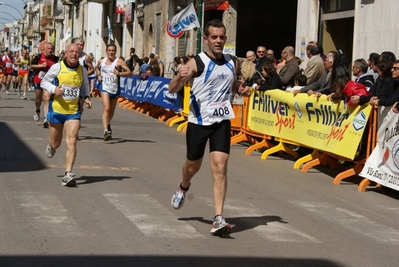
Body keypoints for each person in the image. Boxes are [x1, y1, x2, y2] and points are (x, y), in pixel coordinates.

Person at [168, 19, 244, 236]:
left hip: (221, 121)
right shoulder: (196, 62)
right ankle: (183, 185)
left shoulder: (232, 62)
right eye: (214, 37)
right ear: (206, 40)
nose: (218, 41)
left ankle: (218, 218)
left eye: (221, 37)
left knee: (220, 166)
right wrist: (179, 77)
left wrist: (240, 88)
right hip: (199, 122)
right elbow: (173, 88)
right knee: (193, 165)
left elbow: (232, 84)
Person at [41, 43, 92, 186]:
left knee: (72, 140)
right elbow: (45, 82)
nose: (74, 54)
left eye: (77, 52)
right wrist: (53, 89)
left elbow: (85, 86)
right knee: (56, 143)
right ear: (65, 53)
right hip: (56, 111)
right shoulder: (57, 67)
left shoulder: (82, 70)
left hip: (73, 113)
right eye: (71, 51)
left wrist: (86, 97)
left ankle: (68, 174)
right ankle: (51, 146)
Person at [96, 44, 132, 141]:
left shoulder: (119, 61)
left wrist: (119, 73)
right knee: (106, 108)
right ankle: (106, 131)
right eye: (109, 50)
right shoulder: (101, 61)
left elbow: (129, 72)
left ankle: (107, 123)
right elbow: (97, 68)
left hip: (115, 88)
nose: (111, 52)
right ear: (106, 51)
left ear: (115, 52)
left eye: (113, 50)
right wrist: (99, 75)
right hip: (104, 87)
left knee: (111, 111)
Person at [30, 42, 59, 128]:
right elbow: (30, 66)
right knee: (38, 99)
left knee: (47, 98)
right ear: (45, 49)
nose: (50, 50)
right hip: (39, 79)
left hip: (49, 82)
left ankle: (46, 118)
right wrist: (40, 66)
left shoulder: (55, 59)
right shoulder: (39, 57)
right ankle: (37, 109)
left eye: (52, 49)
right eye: (49, 49)